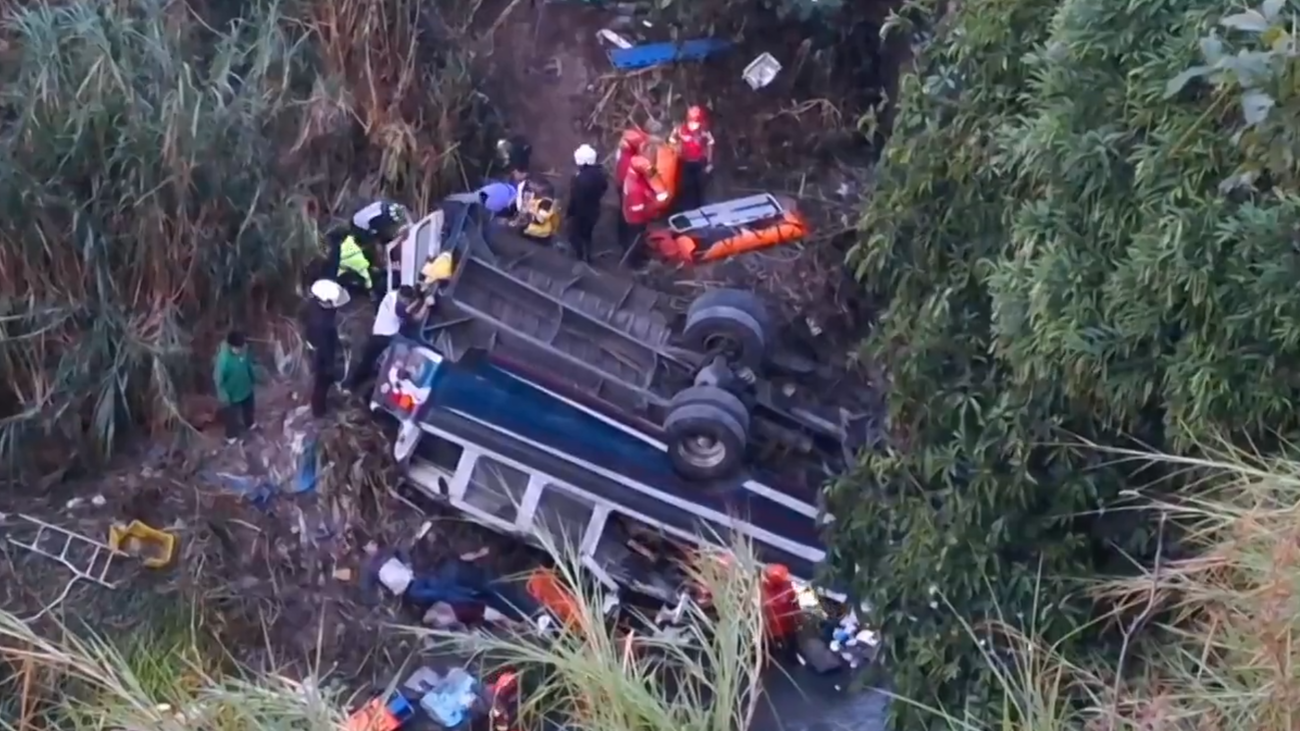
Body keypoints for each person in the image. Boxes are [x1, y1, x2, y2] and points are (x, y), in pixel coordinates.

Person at [344, 285, 426, 393]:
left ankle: (353, 385)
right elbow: (416, 318)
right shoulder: (398, 308)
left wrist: (419, 297)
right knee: (413, 346)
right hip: (385, 336)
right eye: (406, 301)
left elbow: (408, 307)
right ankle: (352, 386)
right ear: (402, 298)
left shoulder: (392, 295)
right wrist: (426, 305)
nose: (407, 302)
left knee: (367, 360)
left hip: (378, 331)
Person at [305, 279, 346, 417]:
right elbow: (325, 345)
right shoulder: (323, 322)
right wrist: (329, 364)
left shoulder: (313, 307)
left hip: (317, 349)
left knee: (321, 382)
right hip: (321, 356)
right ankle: (319, 411)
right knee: (321, 384)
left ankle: (320, 406)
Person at [213, 330, 257, 443]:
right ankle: (231, 436)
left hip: (246, 386)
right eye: (237, 349)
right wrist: (223, 396)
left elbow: (248, 364)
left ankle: (250, 424)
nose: (239, 350)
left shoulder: (244, 349)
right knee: (231, 415)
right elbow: (218, 379)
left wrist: (253, 378)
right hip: (231, 393)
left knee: (249, 408)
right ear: (230, 346)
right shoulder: (223, 359)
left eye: (241, 348)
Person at [566, 144, 608, 262]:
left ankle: (579, 257)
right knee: (587, 234)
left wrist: (569, 212)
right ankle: (588, 256)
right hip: (594, 210)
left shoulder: (579, 179)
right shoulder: (600, 175)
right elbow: (604, 187)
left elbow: (575, 198)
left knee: (574, 234)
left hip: (581, 212)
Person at [669, 105, 715, 212]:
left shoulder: (704, 130)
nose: (694, 125)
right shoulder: (680, 129)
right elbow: (671, 139)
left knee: (699, 186)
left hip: (699, 162)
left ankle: (700, 209)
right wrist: (676, 149)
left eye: (696, 121)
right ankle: (685, 209)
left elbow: (710, 144)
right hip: (684, 162)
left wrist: (709, 162)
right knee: (684, 186)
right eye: (692, 121)